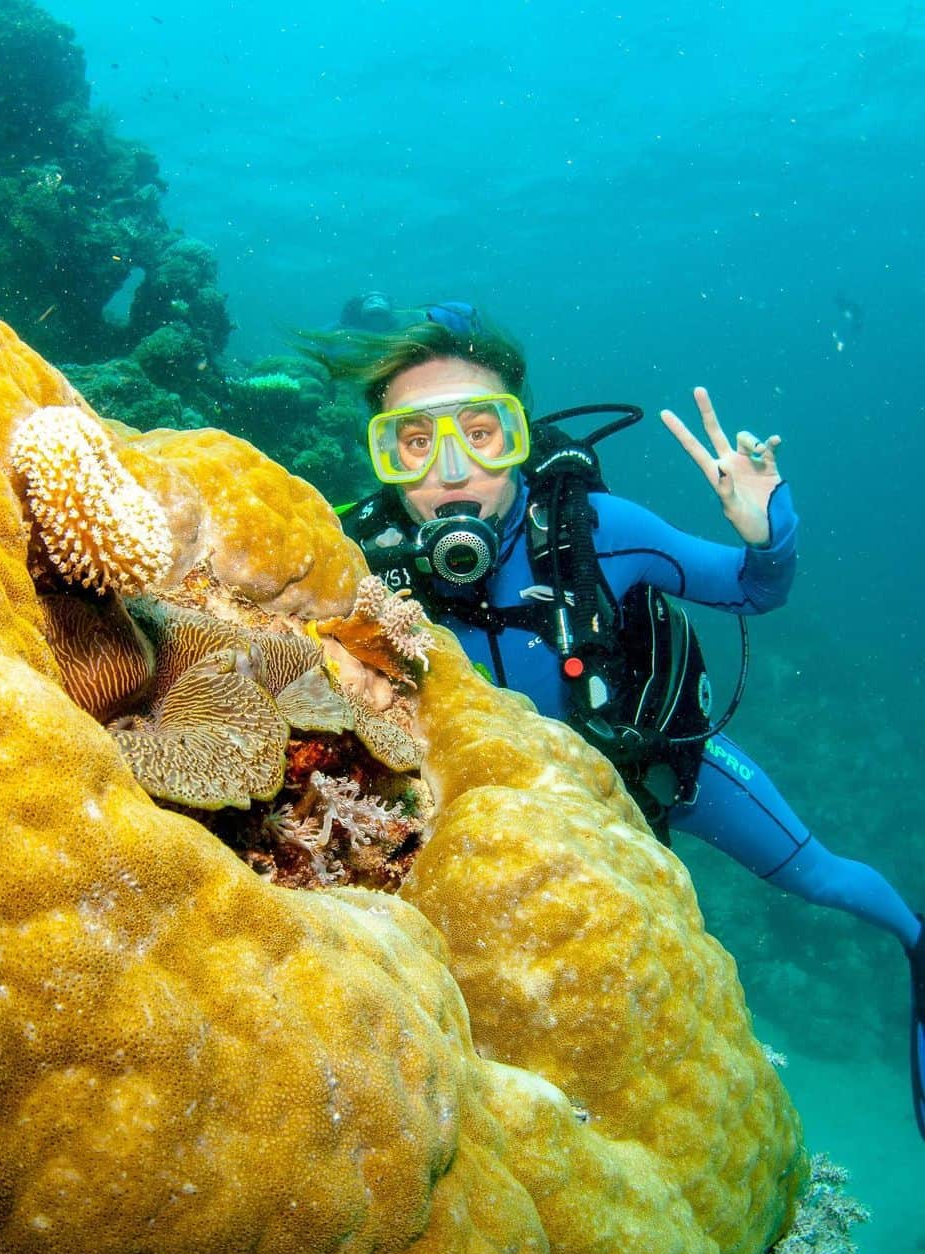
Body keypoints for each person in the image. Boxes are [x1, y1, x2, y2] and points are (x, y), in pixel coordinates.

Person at [307, 302, 925, 1141]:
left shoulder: (594, 529)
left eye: (481, 434)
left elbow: (753, 588)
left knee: (816, 876)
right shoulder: (355, 564)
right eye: (415, 442)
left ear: (519, 437)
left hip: (656, 770)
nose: (451, 471)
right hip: (480, 819)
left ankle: (918, 944)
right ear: (383, 454)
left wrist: (768, 530)